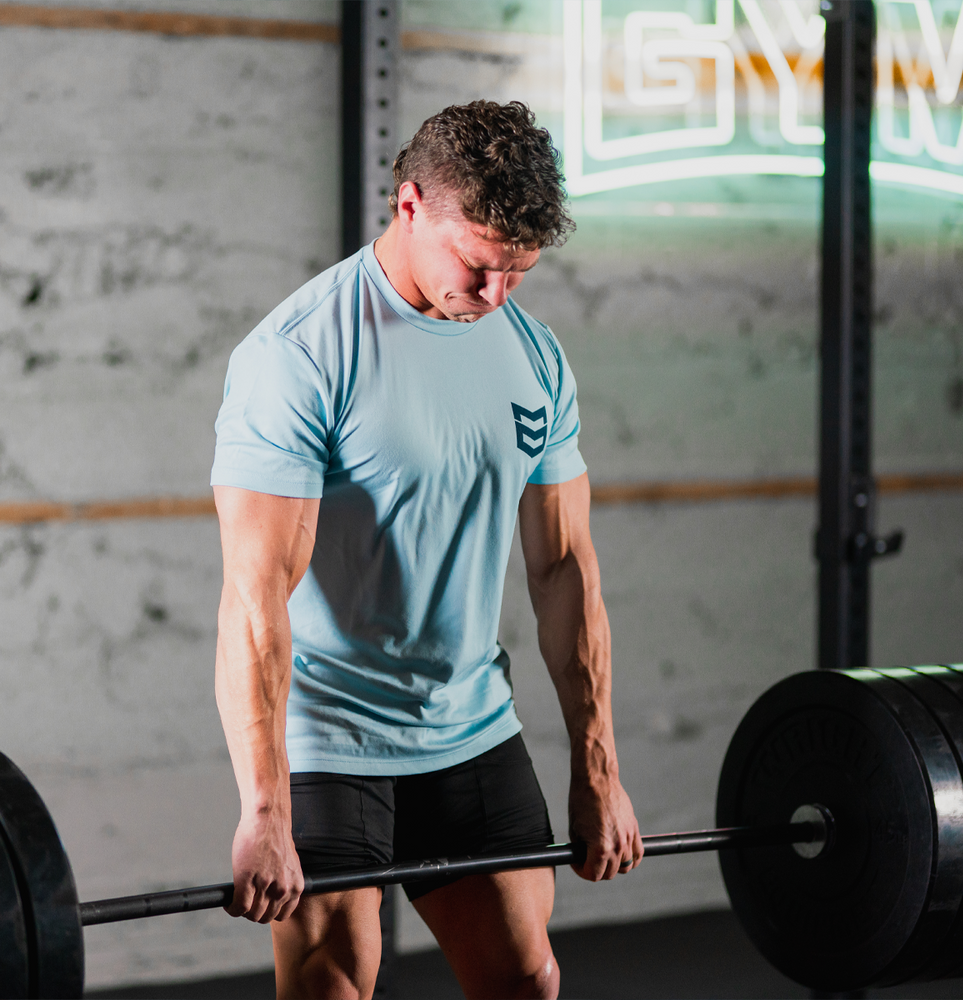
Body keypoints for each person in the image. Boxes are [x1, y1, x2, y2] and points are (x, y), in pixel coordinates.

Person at [210, 100, 642, 1000]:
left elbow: (564, 570)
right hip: (330, 734)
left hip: (469, 724)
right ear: (409, 205)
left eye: (518, 271)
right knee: (331, 987)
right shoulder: (300, 355)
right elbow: (256, 595)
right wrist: (264, 807)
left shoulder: (533, 355)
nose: (496, 295)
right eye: (478, 265)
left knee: (527, 980)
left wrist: (598, 771)